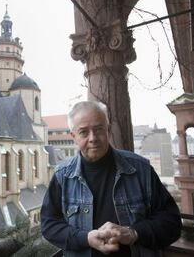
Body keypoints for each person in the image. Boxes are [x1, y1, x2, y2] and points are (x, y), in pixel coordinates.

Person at [41, 101, 181, 257]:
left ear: (108, 130)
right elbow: (49, 225)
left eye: (99, 129)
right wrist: (85, 238)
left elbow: (172, 222)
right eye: (84, 132)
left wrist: (132, 233)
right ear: (74, 136)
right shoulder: (62, 176)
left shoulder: (141, 170)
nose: (93, 138)